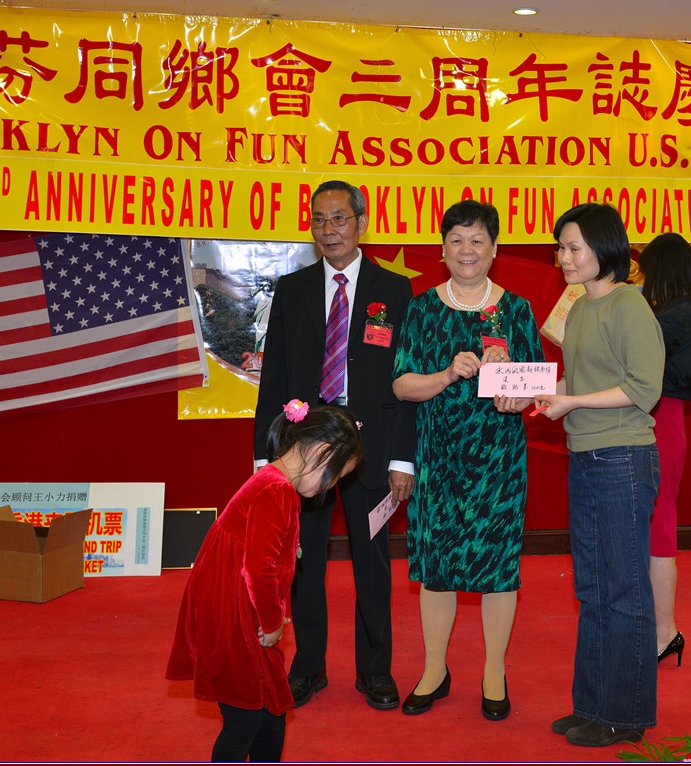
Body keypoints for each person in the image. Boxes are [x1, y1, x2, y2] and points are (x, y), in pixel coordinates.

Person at [253, 180, 417, 711]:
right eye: (319, 220)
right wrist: (264, 457)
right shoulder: (293, 289)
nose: (329, 230)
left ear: (361, 223)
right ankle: (308, 667)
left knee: (373, 563)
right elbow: (274, 377)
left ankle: (375, 670)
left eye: (340, 218)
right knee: (304, 562)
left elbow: (405, 381)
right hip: (306, 449)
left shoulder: (394, 290)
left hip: (372, 446)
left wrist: (402, 458)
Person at [391, 199, 545, 721]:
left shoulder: (516, 310)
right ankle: (434, 670)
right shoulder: (421, 309)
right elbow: (402, 385)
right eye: (456, 240)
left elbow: (534, 391)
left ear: (495, 249)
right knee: (436, 567)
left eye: (477, 240)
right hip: (438, 459)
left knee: (498, 566)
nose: (467, 249)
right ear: (442, 249)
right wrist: (447, 374)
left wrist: (511, 383)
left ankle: (493, 672)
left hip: (498, 462)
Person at [533, 203, 665, 748]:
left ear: (604, 249)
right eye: (560, 249)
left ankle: (624, 714)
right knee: (591, 587)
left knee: (624, 588)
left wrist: (571, 402)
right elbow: (580, 378)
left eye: (574, 248)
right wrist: (546, 393)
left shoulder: (628, 304)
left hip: (622, 458)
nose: (563, 258)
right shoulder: (580, 306)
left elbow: (643, 389)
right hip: (585, 455)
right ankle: (591, 704)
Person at [168, 401, 363, 762]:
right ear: (321, 452)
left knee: (271, 712)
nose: (332, 487)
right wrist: (273, 623)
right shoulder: (277, 490)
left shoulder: (272, 482)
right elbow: (259, 569)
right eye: (336, 476)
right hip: (234, 615)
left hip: (242, 607)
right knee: (244, 720)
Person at [639, 233, 691, 666]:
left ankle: (665, 631)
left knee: (659, 524)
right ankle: (657, 628)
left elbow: (632, 348)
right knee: (654, 522)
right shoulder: (681, 308)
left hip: (661, 419)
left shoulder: (676, 313)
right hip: (660, 417)